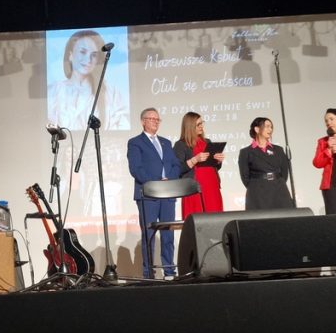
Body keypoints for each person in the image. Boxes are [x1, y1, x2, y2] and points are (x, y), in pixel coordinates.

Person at [127, 108, 181, 279]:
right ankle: (149, 273)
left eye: (158, 119)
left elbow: (176, 165)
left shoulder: (166, 142)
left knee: (168, 235)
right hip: (148, 195)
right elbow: (136, 169)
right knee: (149, 235)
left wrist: (168, 180)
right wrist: (156, 182)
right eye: (152, 119)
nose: (155, 122)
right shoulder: (135, 142)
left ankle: (169, 271)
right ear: (143, 121)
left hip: (167, 194)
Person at [47, 29, 128, 131]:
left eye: (93, 55)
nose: (88, 59)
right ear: (70, 55)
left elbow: (121, 125)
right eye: (82, 52)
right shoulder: (53, 91)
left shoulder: (111, 93)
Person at [172, 112, 225, 217]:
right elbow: (177, 169)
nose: (201, 126)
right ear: (190, 126)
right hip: (194, 189)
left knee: (215, 217)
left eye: (202, 123)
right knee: (197, 219)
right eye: (198, 124)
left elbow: (213, 167)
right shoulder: (181, 144)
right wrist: (195, 159)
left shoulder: (207, 141)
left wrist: (218, 161)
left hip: (212, 186)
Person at [237, 117, 294, 210]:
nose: (270, 129)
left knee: (283, 216)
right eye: (267, 126)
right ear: (257, 129)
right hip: (258, 193)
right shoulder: (246, 152)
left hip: (279, 190)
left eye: (271, 127)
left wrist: (277, 182)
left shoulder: (278, 150)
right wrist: (256, 185)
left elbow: (284, 173)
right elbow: (245, 177)